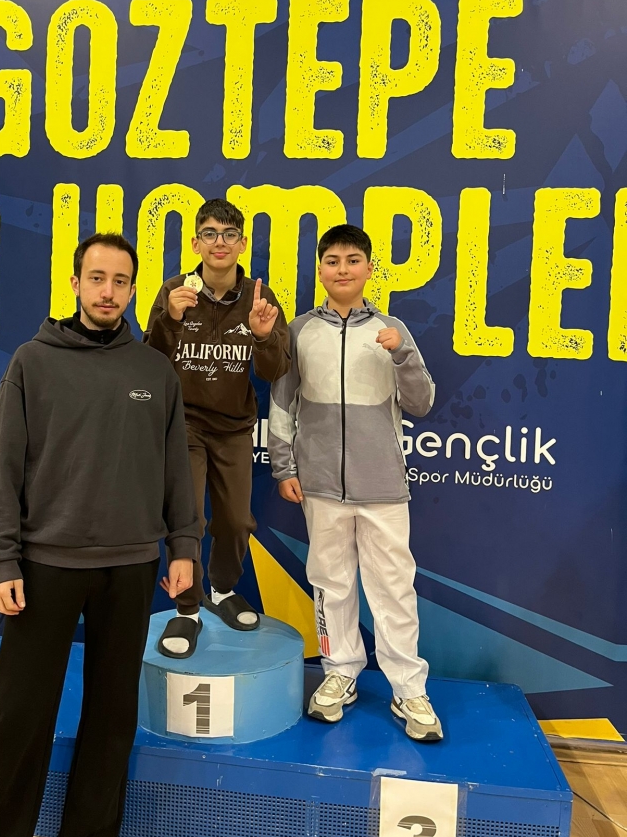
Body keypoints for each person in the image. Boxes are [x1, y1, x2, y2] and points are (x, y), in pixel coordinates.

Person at [0, 233, 199, 837]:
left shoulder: (154, 371)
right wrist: (2, 561)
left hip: (131, 565)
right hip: (45, 568)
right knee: (18, 717)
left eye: (120, 281)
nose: (107, 292)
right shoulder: (32, 362)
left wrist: (184, 545)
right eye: (97, 278)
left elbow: (175, 469)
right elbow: (2, 468)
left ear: (132, 290)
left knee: (112, 716)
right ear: (74, 283)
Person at [268, 223, 442, 742]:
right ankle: (339, 672)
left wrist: (402, 354)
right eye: (332, 261)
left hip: (383, 486)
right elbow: (282, 404)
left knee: (393, 588)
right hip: (320, 486)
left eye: (352, 260)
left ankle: (408, 688)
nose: (342, 269)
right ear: (320, 270)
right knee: (330, 583)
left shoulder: (391, 329)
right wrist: (284, 467)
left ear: (368, 269)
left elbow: (422, 402)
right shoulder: (298, 331)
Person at [144, 198, 291, 658]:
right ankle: (187, 610)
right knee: (188, 519)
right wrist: (169, 319)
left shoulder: (259, 297)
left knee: (235, 521)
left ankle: (222, 589)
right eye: (209, 233)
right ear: (195, 243)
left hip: (233, 429)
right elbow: (149, 361)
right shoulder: (175, 290)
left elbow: (276, 370)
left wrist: (263, 337)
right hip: (182, 426)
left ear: (243, 244)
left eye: (229, 235)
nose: (219, 242)